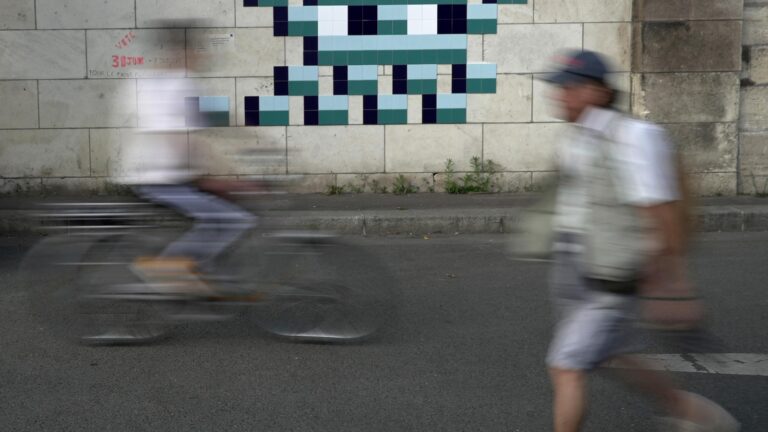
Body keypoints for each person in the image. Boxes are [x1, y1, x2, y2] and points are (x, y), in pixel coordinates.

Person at [541, 50, 739, 432]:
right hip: (576, 266)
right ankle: (690, 411)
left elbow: (659, 211)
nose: (560, 95)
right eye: (558, 87)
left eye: (571, 87)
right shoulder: (576, 139)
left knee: (566, 365)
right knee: (609, 354)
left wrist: (675, 286)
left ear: (599, 92)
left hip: (612, 276)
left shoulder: (634, 137)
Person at [120, 23, 255, 295]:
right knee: (235, 220)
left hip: (164, 173)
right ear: (182, 51)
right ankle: (168, 266)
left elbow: (209, 121)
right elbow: (179, 139)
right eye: (198, 50)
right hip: (159, 179)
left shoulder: (157, 81)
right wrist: (216, 177)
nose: (202, 57)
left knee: (220, 214)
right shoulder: (172, 85)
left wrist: (254, 139)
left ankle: (202, 271)